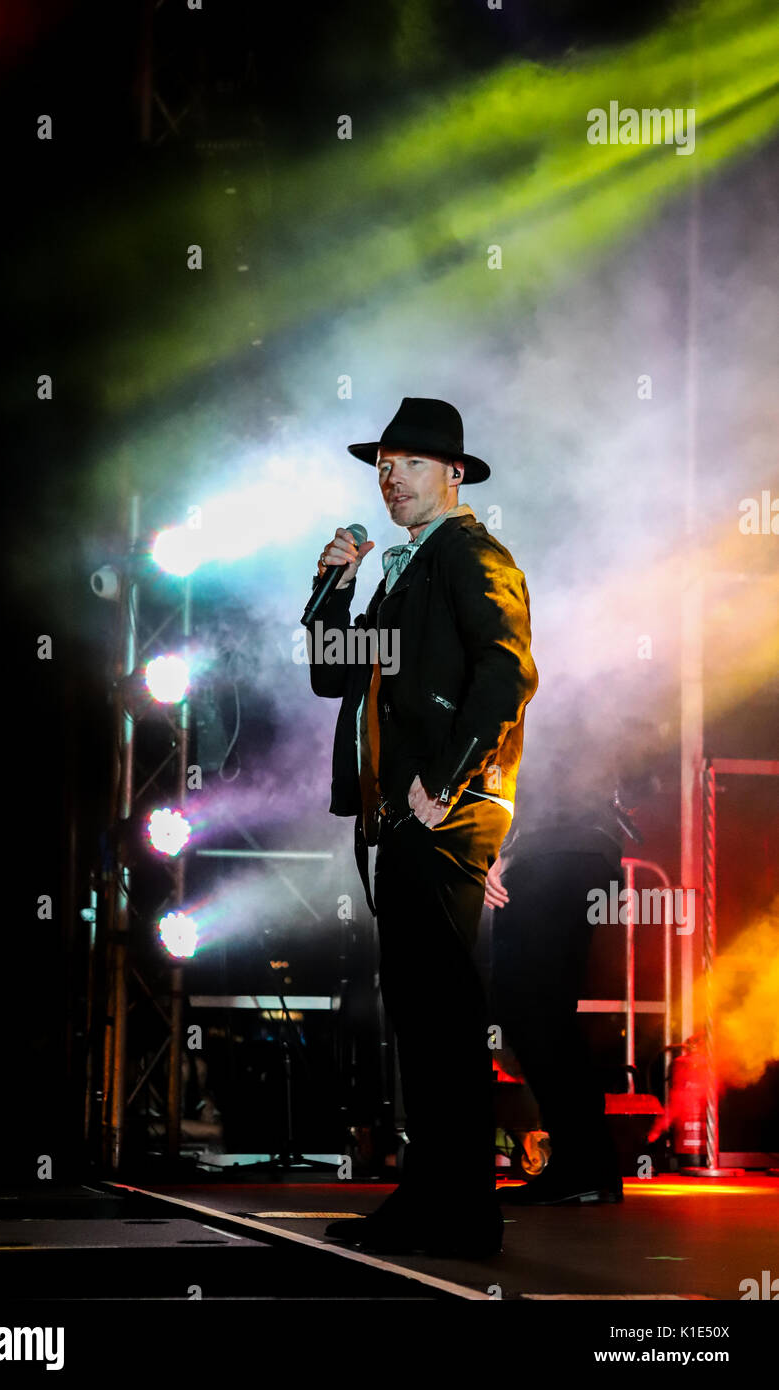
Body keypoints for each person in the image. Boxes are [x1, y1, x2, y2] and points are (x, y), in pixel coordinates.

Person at [306, 397, 538, 1257]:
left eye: (406, 462)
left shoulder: (471, 554)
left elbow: (509, 674)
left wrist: (446, 782)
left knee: (440, 1007)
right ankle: (434, 1199)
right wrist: (333, 587)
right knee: (419, 1006)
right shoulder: (406, 567)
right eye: (382, 463)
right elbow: (336, 676)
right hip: (402, 808)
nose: (388, 476)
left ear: (452, 474)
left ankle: (465, 1213)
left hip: (444, 805)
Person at [484, 713, 642, 1205]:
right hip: (573, 848)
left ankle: (584, 1165)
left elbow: (521, 762)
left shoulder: (528, 671)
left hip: (557, 850)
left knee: (532, 1007)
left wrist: (498, 847)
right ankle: (588, 1164)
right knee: (543, 1011)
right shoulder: (554, 674)